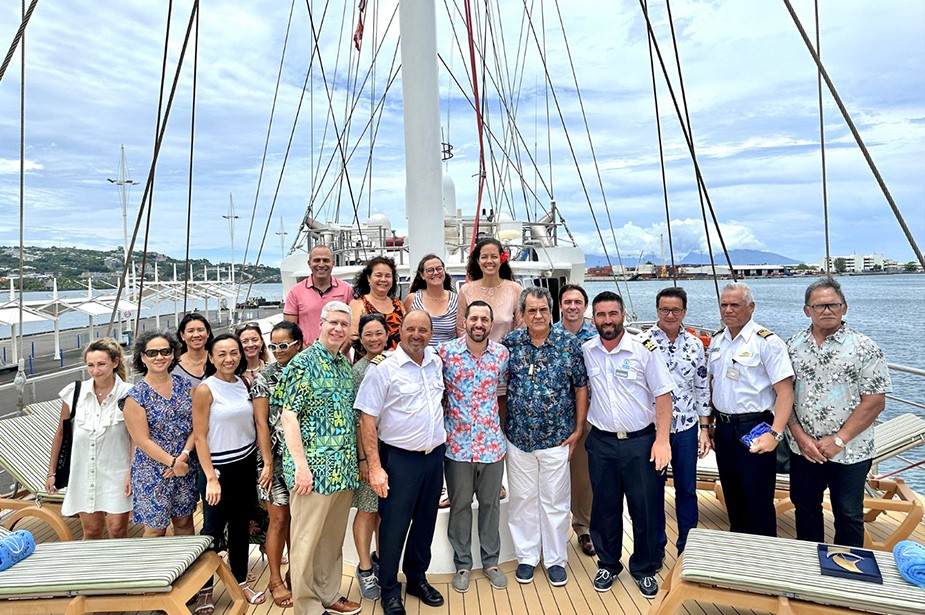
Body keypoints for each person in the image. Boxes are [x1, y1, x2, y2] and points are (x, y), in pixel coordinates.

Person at [786, 276, 891, 547]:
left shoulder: (864, 347)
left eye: (833, 305)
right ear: (806, 310)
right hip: (804, 449)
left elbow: (875, 401)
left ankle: (847, 575)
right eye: (819, 306)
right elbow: (784, 395)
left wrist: (839, 440)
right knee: (805, 509)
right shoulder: (792, 347)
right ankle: (809, 571)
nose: (827, 311)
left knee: (848, 514)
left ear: (844, 308)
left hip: (850, 451)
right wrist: (799, 436)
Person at [584, 291, 675, 599]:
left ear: (623, 315)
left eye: (612, 314)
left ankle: (645, 567)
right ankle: (608, 563)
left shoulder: (643, 349)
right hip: (602, 442)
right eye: (601, 315)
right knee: (605, 507)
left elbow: (663, 395)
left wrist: (662, 441)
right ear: (593, 318)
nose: (607, 320)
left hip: (641, 441)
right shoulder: (587, 350)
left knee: (645, 508)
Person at [356, 310, 447, 615]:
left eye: (423, 329)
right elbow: (367, 421)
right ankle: (389, 588)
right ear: (401, 332)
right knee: (393, 528)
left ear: (430, 333)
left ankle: (417, 578)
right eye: (410, 329)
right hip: (399, 460)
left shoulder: (436, 362)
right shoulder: (384, 369)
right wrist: (375, 467)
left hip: (434, 457)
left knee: (425, 523)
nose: (416, 335)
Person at [500, 287, 587, 588]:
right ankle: (526, 557)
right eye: (531, 310)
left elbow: (580, 387)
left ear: (551, 311)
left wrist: (577, 430)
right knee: (522, 500)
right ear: (522, 314)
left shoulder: (569, 344)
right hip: (519, 438)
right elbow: (499, 388)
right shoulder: (510, 344)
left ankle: (555, 560)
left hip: (558, 438)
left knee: (555, 502)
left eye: (543, 310)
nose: (538, 315)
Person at [279, 301, 361, 615]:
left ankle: (328, 594)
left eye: (344, 324)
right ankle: (308, 605)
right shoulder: (302, 363)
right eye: (333, 322)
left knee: (330, 539)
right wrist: (301, 466)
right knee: (306, 541)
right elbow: (289, 417)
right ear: (322, 323)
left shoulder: (343, 363)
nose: (338, 329)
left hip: (342, 469)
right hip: (312, 471)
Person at [123, 331, 203, 612]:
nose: (160, 357)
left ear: (173, 354)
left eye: (165, 351)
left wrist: (182, 457)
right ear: (142, 357)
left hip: (184, 464)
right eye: (153, 353)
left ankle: (185, 582)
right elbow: (142, 440)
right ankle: (152, 587)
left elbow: (196, 426)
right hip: (152, 471)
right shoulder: (135, 396)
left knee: (184, 523)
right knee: (155, 530)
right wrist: (171, 463)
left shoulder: (185, 385)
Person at [709, 282, 794, 537]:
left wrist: (775, 434)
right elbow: (714, 384)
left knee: (757, 498)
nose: (728, 310)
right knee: (733, 495)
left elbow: (785, 392)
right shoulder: (717, 341)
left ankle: (764, 559)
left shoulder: (767, 342)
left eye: (735, 305)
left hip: (755, 427)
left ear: (751, 307)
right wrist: (710, 425)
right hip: (724, 428)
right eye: (724, 305)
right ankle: (738, 554)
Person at [439, 300, 510, 593]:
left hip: (492, 445)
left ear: (490, 325)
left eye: (484, 319)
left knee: (491, 506)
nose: (479, 324)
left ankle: (491, 561)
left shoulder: (502, 355)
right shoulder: (445, 353)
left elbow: (503, 395)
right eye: (474, 318)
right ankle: (463, 564)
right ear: (465, 321)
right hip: (456, 446)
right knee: (460, 506)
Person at [192, 333, 265, 608]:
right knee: (211, 530)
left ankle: (240, 581)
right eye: (221, 353)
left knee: (239, 527)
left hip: (244, 464)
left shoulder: (244, 383)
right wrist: (210, 477)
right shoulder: (205, 389)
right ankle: (205, 588)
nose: (229, 358)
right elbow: (200, 436)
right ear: (211, 357)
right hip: (217, 469)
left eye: (234, 352)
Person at [638, 287, 711, 558]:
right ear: (657, 310)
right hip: (653, 431)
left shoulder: (694, 344)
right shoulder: (643, 342)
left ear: (684, 312)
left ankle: (687, 549)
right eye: (664, 309)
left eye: (675, 310)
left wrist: (704, 428)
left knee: (687, 489)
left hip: (686, 427)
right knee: (653, 491)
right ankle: (655, 548)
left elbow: (701, 386)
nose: (670, 315)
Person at [45, 338, 134, 539]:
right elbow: (61, 434)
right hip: (84, 474)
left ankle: (117, 570)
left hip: (117, 472)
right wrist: (51, 473)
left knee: (117, 530)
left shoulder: (129, 394)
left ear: (115, 362)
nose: (95, 371)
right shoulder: (75, 393)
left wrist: (131, 471)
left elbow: (134, 439)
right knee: (92, 531)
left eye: (101, 364)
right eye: (90, 365)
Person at [252, 321, 305, 608]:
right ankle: (275, 579)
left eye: (283, 345)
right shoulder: (265, 377)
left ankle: (297, 572)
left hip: (306, 461)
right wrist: (269, 463)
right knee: (279, 520)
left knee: (301, 523)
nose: (277, 351)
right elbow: (261, 423)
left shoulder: (309, 370)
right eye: (272, 346)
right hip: (275, 458)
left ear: (299, 343)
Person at [553, 283, 598, 557]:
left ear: (585, 305)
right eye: (567, 301)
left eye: (577, 302)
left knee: (583, 476)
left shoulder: (596, 335)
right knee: (553, 476)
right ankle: (552, 530)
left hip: (589, 412)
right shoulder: (550, 334)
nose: (572, 306)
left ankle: (583, 527)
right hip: (555, 415)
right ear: (560, 305)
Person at [351, 313, 389, 601]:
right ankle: (364, 569)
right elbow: (358, 419)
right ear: (360, 339)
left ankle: (379, 560)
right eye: (368, 334)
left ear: (387, 335)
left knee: (381, 509)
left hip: (391, 449)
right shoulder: (359, 371)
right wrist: (364, 460)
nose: (374, 339)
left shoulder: (392, 362)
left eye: (379, 333)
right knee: (367, 509)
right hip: (368, 453)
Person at [284, 244, 354, 345]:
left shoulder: (347, 290)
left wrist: (339, 353)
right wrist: (309, 355)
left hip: (340, 357)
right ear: (309, 263)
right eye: (317, 260)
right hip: (307, 356)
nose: (321, 265)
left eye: (325, 260)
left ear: (333, 263)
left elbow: (353, 327)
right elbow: (290, 331)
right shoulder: (295, 292)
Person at [456, 238, 523, 342]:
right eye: (484, 257)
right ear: (478, 260)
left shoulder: (515, 289)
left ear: (501, 259)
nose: (489, 261)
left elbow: (521, 327)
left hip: (506, 354)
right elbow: (461, 329)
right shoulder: (466, 290)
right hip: (473, 355)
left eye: (494, 256)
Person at [350, 256, 404, 351]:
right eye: (378, 275)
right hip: (370, 362)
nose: (383, 279)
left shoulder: (399, 305)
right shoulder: (358, 304)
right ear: (369, 278)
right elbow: (353, 338)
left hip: (398, 363)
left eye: (388, 276)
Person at [404, 253, 459, 346]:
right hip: (420, 356)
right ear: (422, 275)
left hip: (449, 356)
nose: (436, 273)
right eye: (430, 270)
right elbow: (405, 330)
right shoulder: (412, 299)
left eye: (439, 269)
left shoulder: (456, 300)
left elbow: (461, 333)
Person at [173, 312, 214, 387]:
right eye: (191, 331)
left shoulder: (218, 359)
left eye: (200, 330)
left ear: (208, 333)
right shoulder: (174, 366)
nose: (196, 335)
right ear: (182, 335)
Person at [237, 321, 269, 388]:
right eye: (244, 341)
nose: (250, 345)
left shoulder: (272, 370)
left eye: (255, 340)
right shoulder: (233, 374)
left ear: (261, 342)